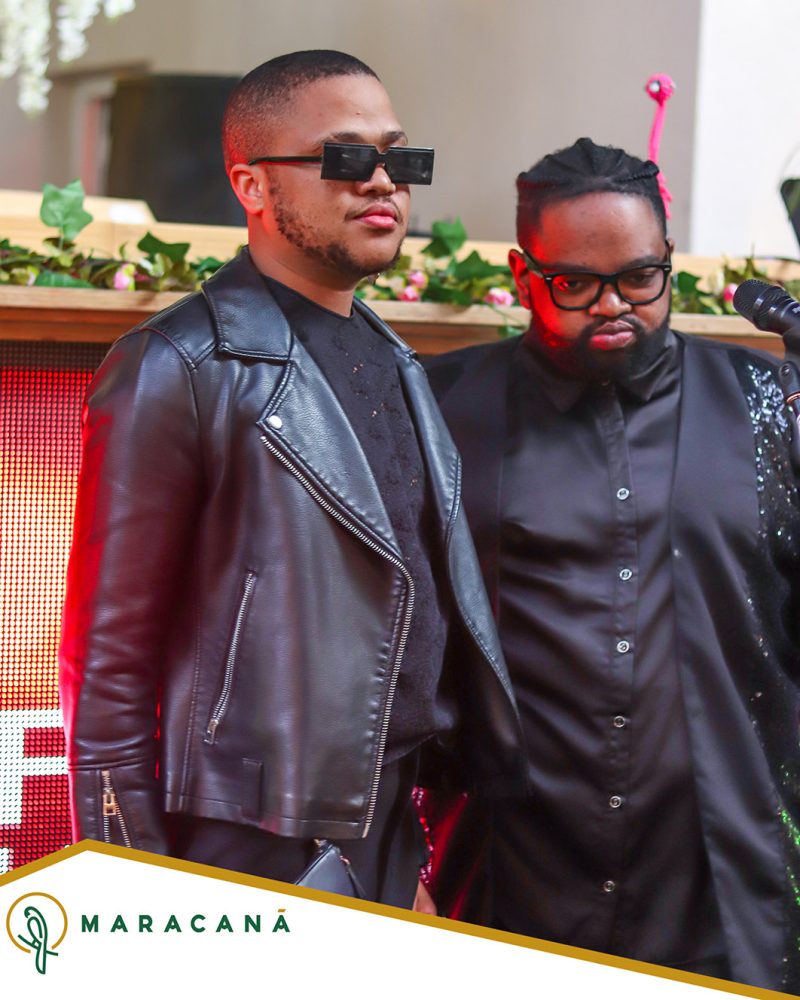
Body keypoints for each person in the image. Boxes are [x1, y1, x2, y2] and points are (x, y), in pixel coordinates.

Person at [58, 49, 522, 909]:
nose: (383, 182)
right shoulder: (179, 364)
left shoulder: (396, 361)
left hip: (386, 821)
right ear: (252, 184)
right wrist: (128, 887)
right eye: (346, 157)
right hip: (245, 842)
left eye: (400, 159)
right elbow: (107, 666)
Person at [424, 137, 800, 991]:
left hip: (721, 876)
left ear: (669, 263)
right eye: (576, 284)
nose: (613, 305)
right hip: (511, 870)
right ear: (525, 277)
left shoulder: (767, 403)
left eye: (639, 277)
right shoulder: (442, 406)